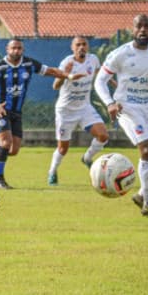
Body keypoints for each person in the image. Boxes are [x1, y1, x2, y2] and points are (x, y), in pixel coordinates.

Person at [0, 38, 82, 189]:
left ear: (23, 50)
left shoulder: (29, 64)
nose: (16, 51)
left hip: (17, 112)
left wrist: (69, 76)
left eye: (19, 48)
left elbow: (51, 71)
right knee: (6, 143)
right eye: (13, 48)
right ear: (7, 49)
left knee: (13, 150)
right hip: (1, 109)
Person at [94, 14, 148, 217]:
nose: (142, 30)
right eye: (138, 26)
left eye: (146, 26)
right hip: (127, 107)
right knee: (147, 149)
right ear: (132, 30)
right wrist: (110, 103)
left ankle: (142, 195)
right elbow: (100, 81)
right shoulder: (120, 54)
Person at [46, 35, 110, 185]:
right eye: (78, 45)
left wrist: (112, 82)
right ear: (72, 48)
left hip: (84, 107)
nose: (81, 47)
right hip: (66, 111)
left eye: (84, 44)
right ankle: (52, 171)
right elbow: (55, 86)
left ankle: (87, 158)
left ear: (87, 47)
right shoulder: (67, 63)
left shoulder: (93, 59)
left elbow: (100, 73)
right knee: (63, 149)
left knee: (103, 136)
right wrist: (66, 75)